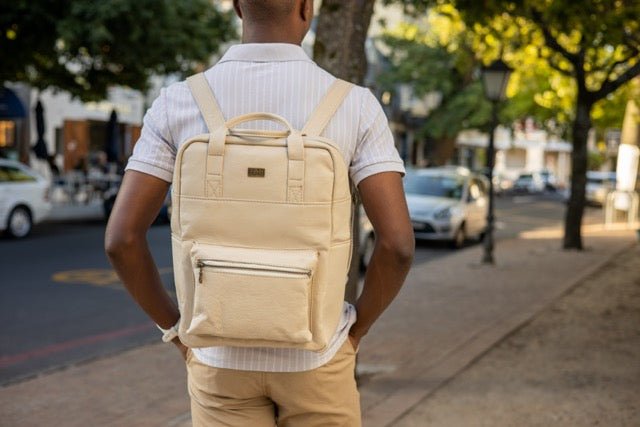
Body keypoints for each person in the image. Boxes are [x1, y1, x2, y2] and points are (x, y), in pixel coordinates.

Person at [104, 0, 414, 425]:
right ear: (306, 7)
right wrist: (354, 332)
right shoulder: (355, 106)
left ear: (236, 7)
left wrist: (178, 331)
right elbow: (397, 246)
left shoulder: (177, 102)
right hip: (318, 355)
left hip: (219, 361)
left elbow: (121, 240)